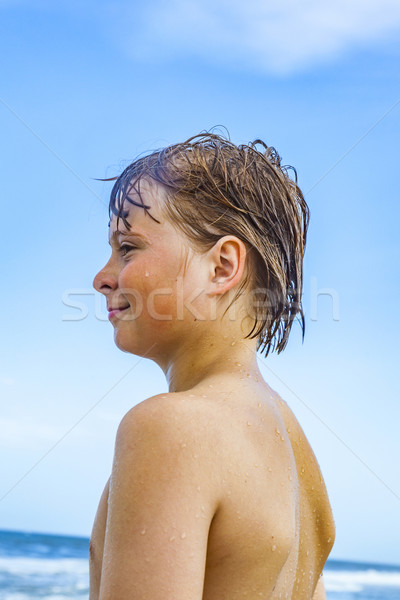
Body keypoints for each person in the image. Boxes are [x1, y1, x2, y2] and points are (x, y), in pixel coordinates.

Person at [90, 132, 335, 599]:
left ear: (222, 266)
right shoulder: (299, 460)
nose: (102, 278)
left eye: (128, 248)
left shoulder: (170, 427)